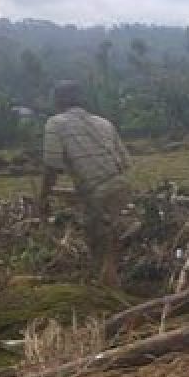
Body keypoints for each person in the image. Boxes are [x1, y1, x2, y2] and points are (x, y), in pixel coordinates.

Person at [38, 80, 133, 289]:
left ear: (57, 102)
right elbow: (125, 163)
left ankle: (112, 300)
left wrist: (43, 197)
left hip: (97, 194)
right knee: (113, 242)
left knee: (100, 249)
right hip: (121, 187)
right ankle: (116, 284)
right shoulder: (104, 123)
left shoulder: (55, 124)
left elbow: (52, 167)